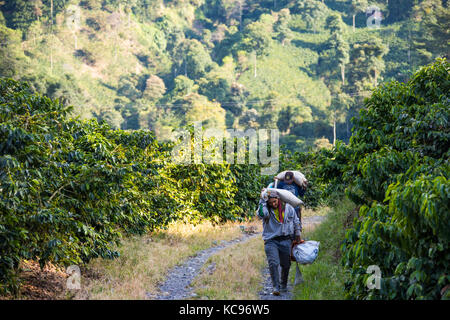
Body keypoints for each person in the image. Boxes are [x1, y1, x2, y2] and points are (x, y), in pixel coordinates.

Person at [257, 192, 301, 296]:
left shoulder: (288, 208)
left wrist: (298, 234)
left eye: (275, 202)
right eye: (271, 202)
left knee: (286, 264)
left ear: (279, 199)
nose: (273, 204)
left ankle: (283, 285)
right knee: (273, 263)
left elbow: (296, 221)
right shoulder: (266, 209)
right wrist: (262, 201)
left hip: (286, 239)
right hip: (271, 240)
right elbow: (261, 214)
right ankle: (275, 286)